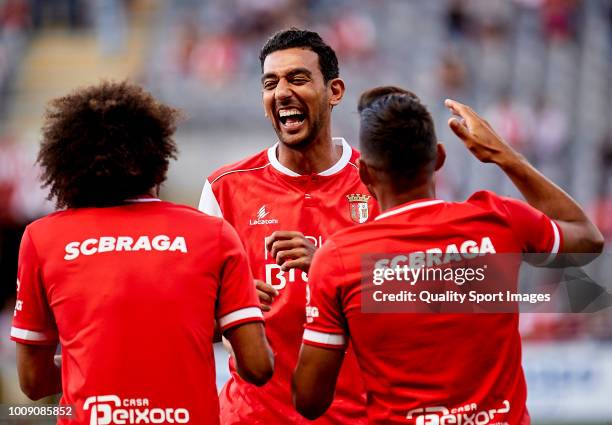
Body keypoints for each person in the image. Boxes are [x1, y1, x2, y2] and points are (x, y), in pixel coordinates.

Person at [293, 87, 604, 424]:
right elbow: (587, 236)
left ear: (364, 173)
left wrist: (336, 306)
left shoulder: (338, 259)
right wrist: (504, 155)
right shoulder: (498, 221)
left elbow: (310, 400)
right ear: (439, 157)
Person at [11, 81, 273, 425]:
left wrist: (94, 365)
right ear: (158, 156)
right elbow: (257, 367)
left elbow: (32, 381)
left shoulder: (42, 238)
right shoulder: (213, 234)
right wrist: (234, 317)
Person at [198, 28, 376, 424]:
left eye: (297, 79)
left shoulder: (380, 183)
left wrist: (334, 270)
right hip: (250, 416)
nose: (281, 92)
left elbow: (426, 302)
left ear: (335, 91)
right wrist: (232, 312)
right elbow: (194, 320)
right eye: (269, 83)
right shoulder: (223, 189)